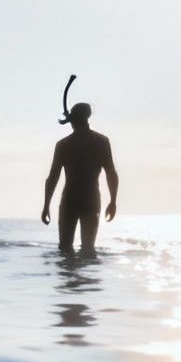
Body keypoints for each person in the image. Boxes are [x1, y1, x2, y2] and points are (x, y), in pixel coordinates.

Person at [42, 102, 118, 257]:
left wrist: (46, 205)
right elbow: (111, 173)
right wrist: (113, 201)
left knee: (65, 248)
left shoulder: (64, 145)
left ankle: (69, 279)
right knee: (88, 249)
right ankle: (87, 278)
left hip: (71, 199)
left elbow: (53, 178)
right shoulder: (100, 142)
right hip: (90, 199)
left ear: (74, 119)